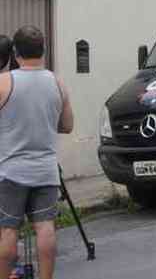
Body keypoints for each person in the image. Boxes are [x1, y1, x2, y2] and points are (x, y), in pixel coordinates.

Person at [0, 26, 73, 279]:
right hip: (46, 171)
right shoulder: (57, 82)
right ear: (43, 50)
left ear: (15, 52)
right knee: (45, 227)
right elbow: (67, 125)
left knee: (8, 229)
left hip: (11, 172)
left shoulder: (4, 82)